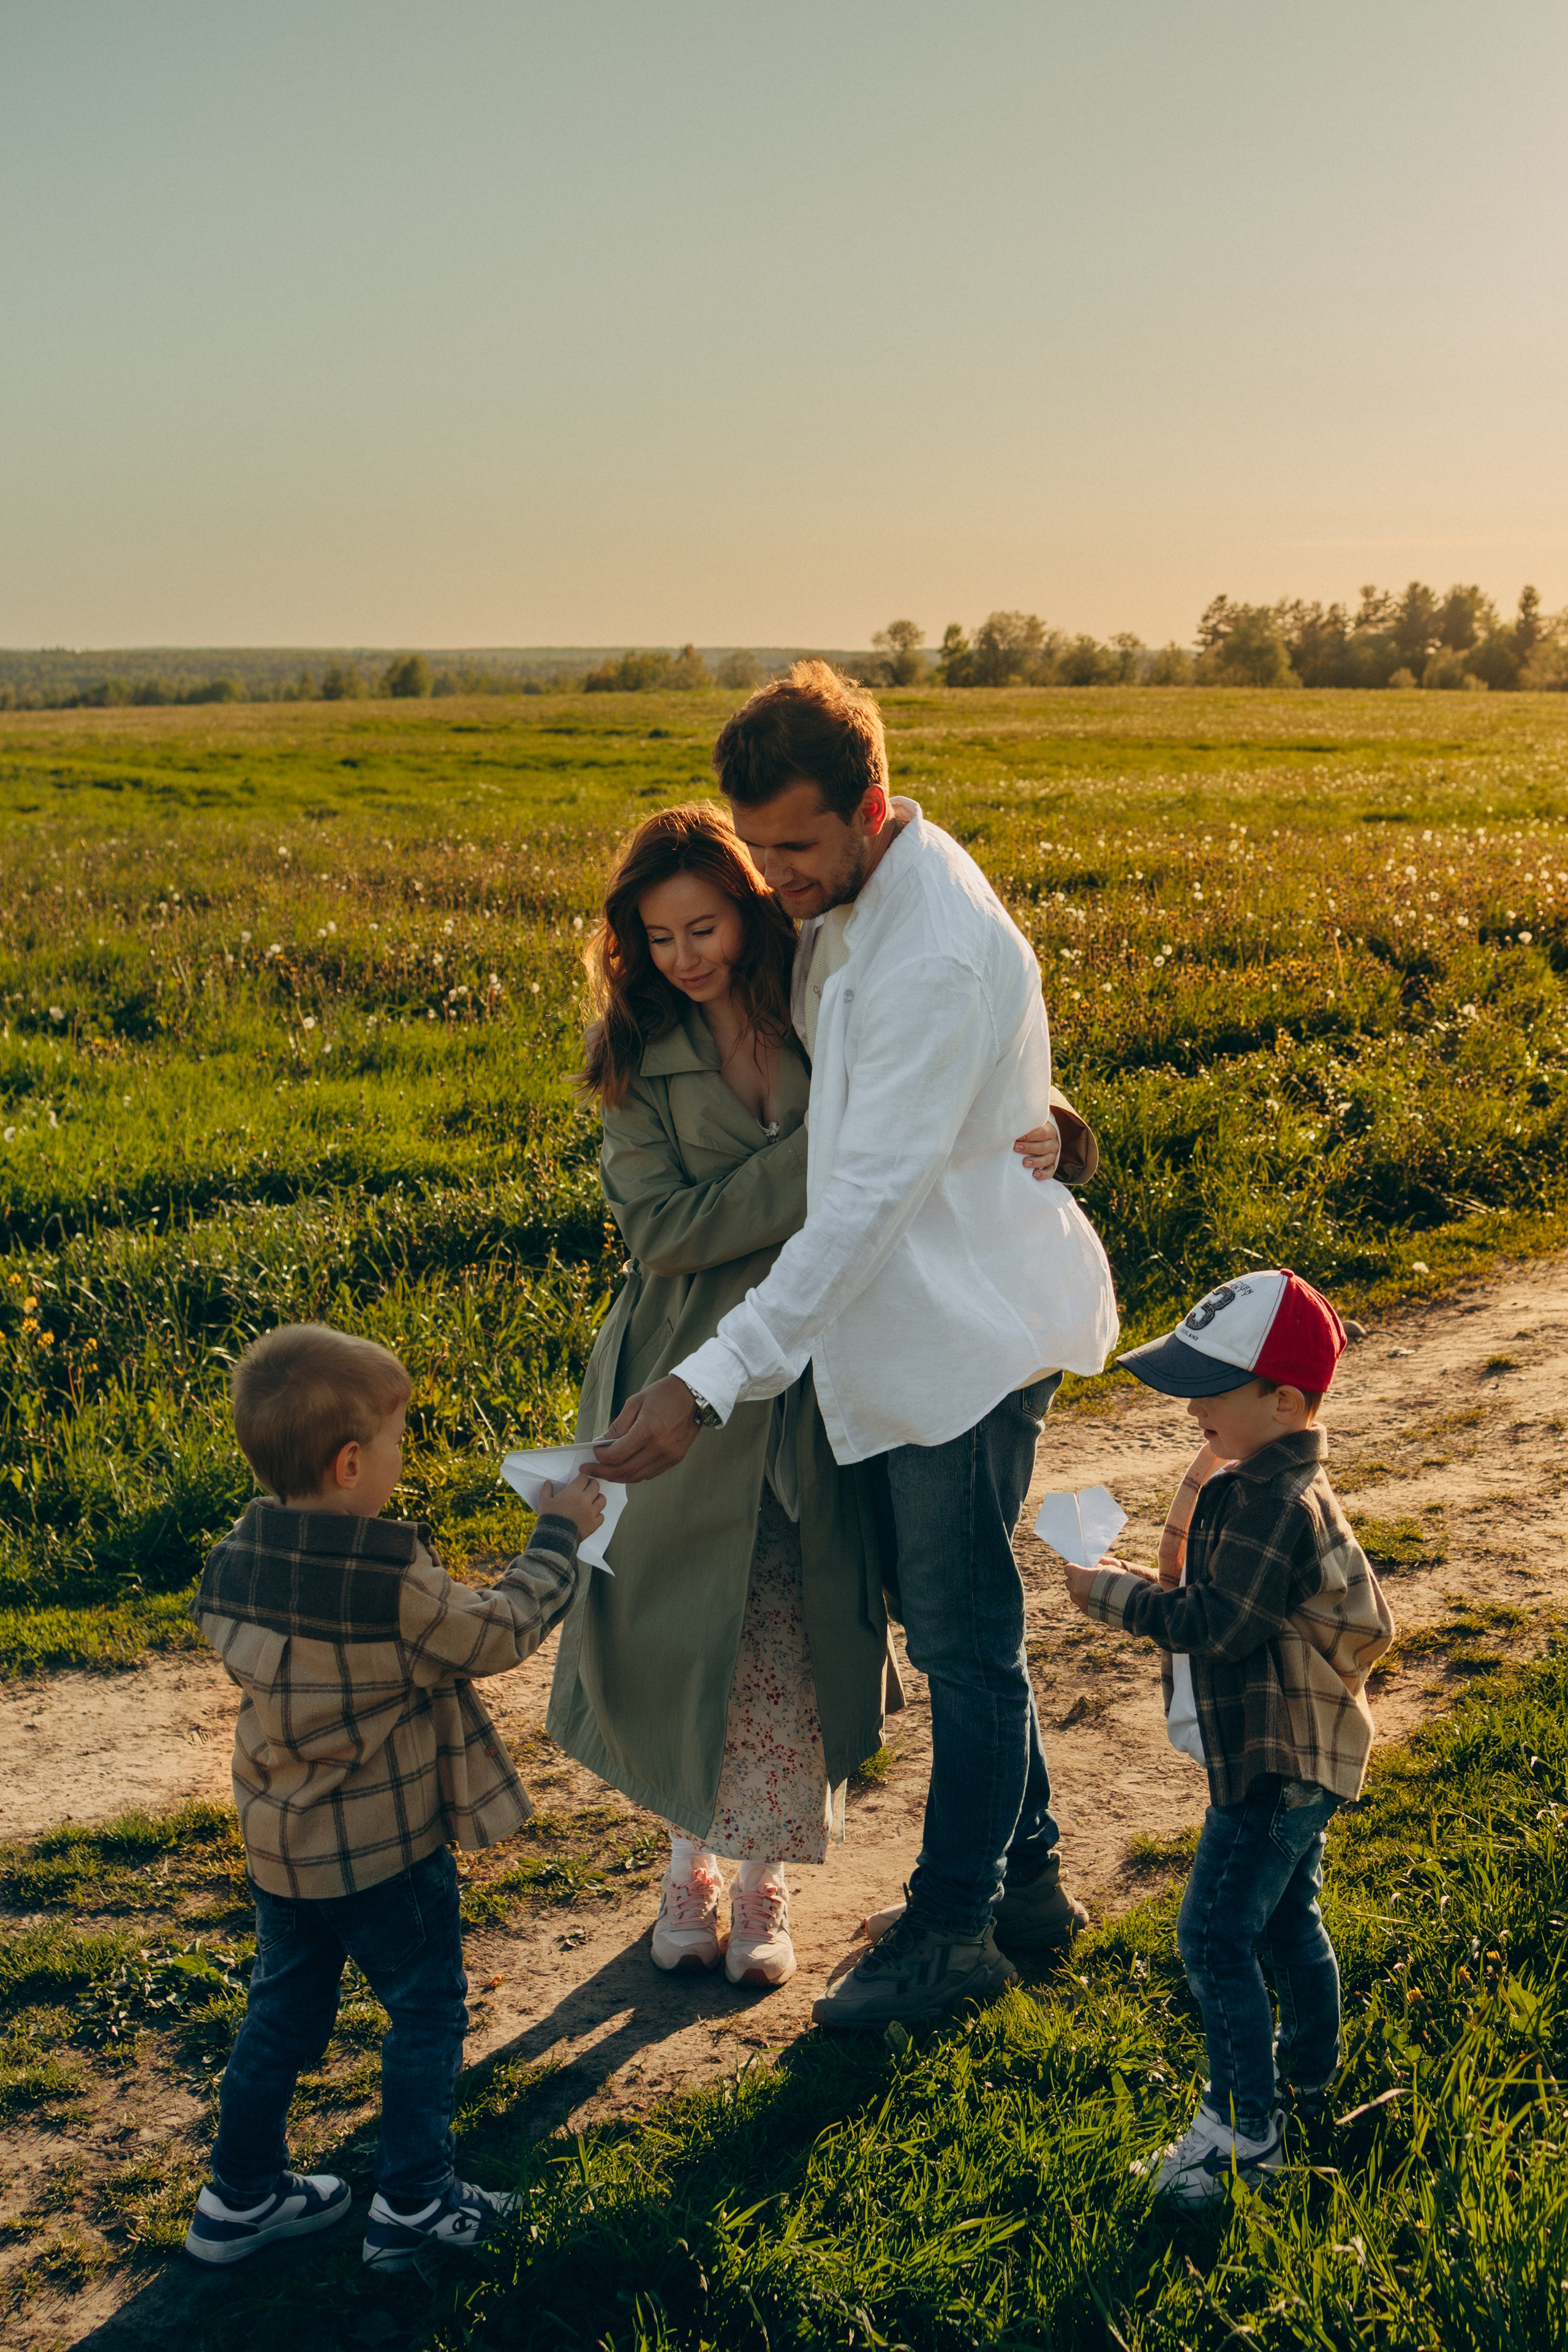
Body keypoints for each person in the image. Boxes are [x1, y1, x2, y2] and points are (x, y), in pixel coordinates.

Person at [593, 664, 1120, 2030]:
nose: (770, 877)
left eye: (793, 847)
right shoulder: (847, 899)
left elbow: (860, 1206)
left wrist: (703, 1384)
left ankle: (951, 1933)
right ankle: (1029, 1883)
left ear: (869, 806)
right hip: (893, 1338)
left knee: (962, 1637)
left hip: (955, 1342)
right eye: (753, 845)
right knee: (950, 1625)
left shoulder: (926, 942)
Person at [181, 1322, 604, 2271]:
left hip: (283, 1852)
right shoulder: (390, 1585)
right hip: (385, 1856)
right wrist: (559, 1533)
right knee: (426, 2009)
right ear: (347, 1465)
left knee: (281, 2012)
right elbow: (497, 1633)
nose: (401, 1461)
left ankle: (238, 2195)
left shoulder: (237, 1559)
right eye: (396, 1445)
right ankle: (413, 2200)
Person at [1062, 1268, 1395, 2204]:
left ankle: (1243, 2132)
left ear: (1284, 1401)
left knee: (1212, 1939)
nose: (1191, 1405)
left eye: (1213, 1388)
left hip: (1273, 1767)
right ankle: (1312, 2076)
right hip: (1301, 1761)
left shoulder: (1267, 1501)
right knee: (1286, 1919)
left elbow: (1221, 1625)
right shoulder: (1271, 1481)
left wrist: (1118, 1597)